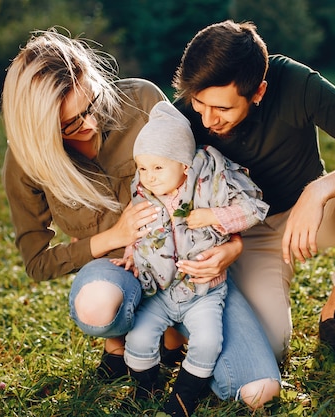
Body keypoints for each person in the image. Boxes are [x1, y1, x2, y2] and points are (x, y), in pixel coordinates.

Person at [0, 28, 280, 410]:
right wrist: (115, 235)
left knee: (257, 390)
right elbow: (36, 262)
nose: (90, 124)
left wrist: (232, 245)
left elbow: (203, 176)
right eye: (68, 123)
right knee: (97, 304)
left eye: (91, 105)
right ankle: (121, 344)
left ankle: (173, 341)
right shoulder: (24, 162)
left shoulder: (143, 100)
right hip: (123, 272)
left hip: (194, 274)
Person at [172, 20, 335, 368]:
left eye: (223, 109)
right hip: (244, 237)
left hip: (311, 216)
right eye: (199, 103)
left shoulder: (295, 82)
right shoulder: (184, 118)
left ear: (258, 91)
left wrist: (317, 191)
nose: (208, 120)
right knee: (269, 352)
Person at [111, 101, 269, 415]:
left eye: (158, 168)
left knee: (208, 341)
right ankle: (145, 388)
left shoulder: (209, 185)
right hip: (158, 290)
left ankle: (183, 397)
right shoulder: (144, 195)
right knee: (140, 339)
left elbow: (254, 210)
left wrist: (215, 216)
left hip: (205, 291)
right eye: (143, 168)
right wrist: (131, 256)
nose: (150, 177)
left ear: (184, 165)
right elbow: (140, 235)